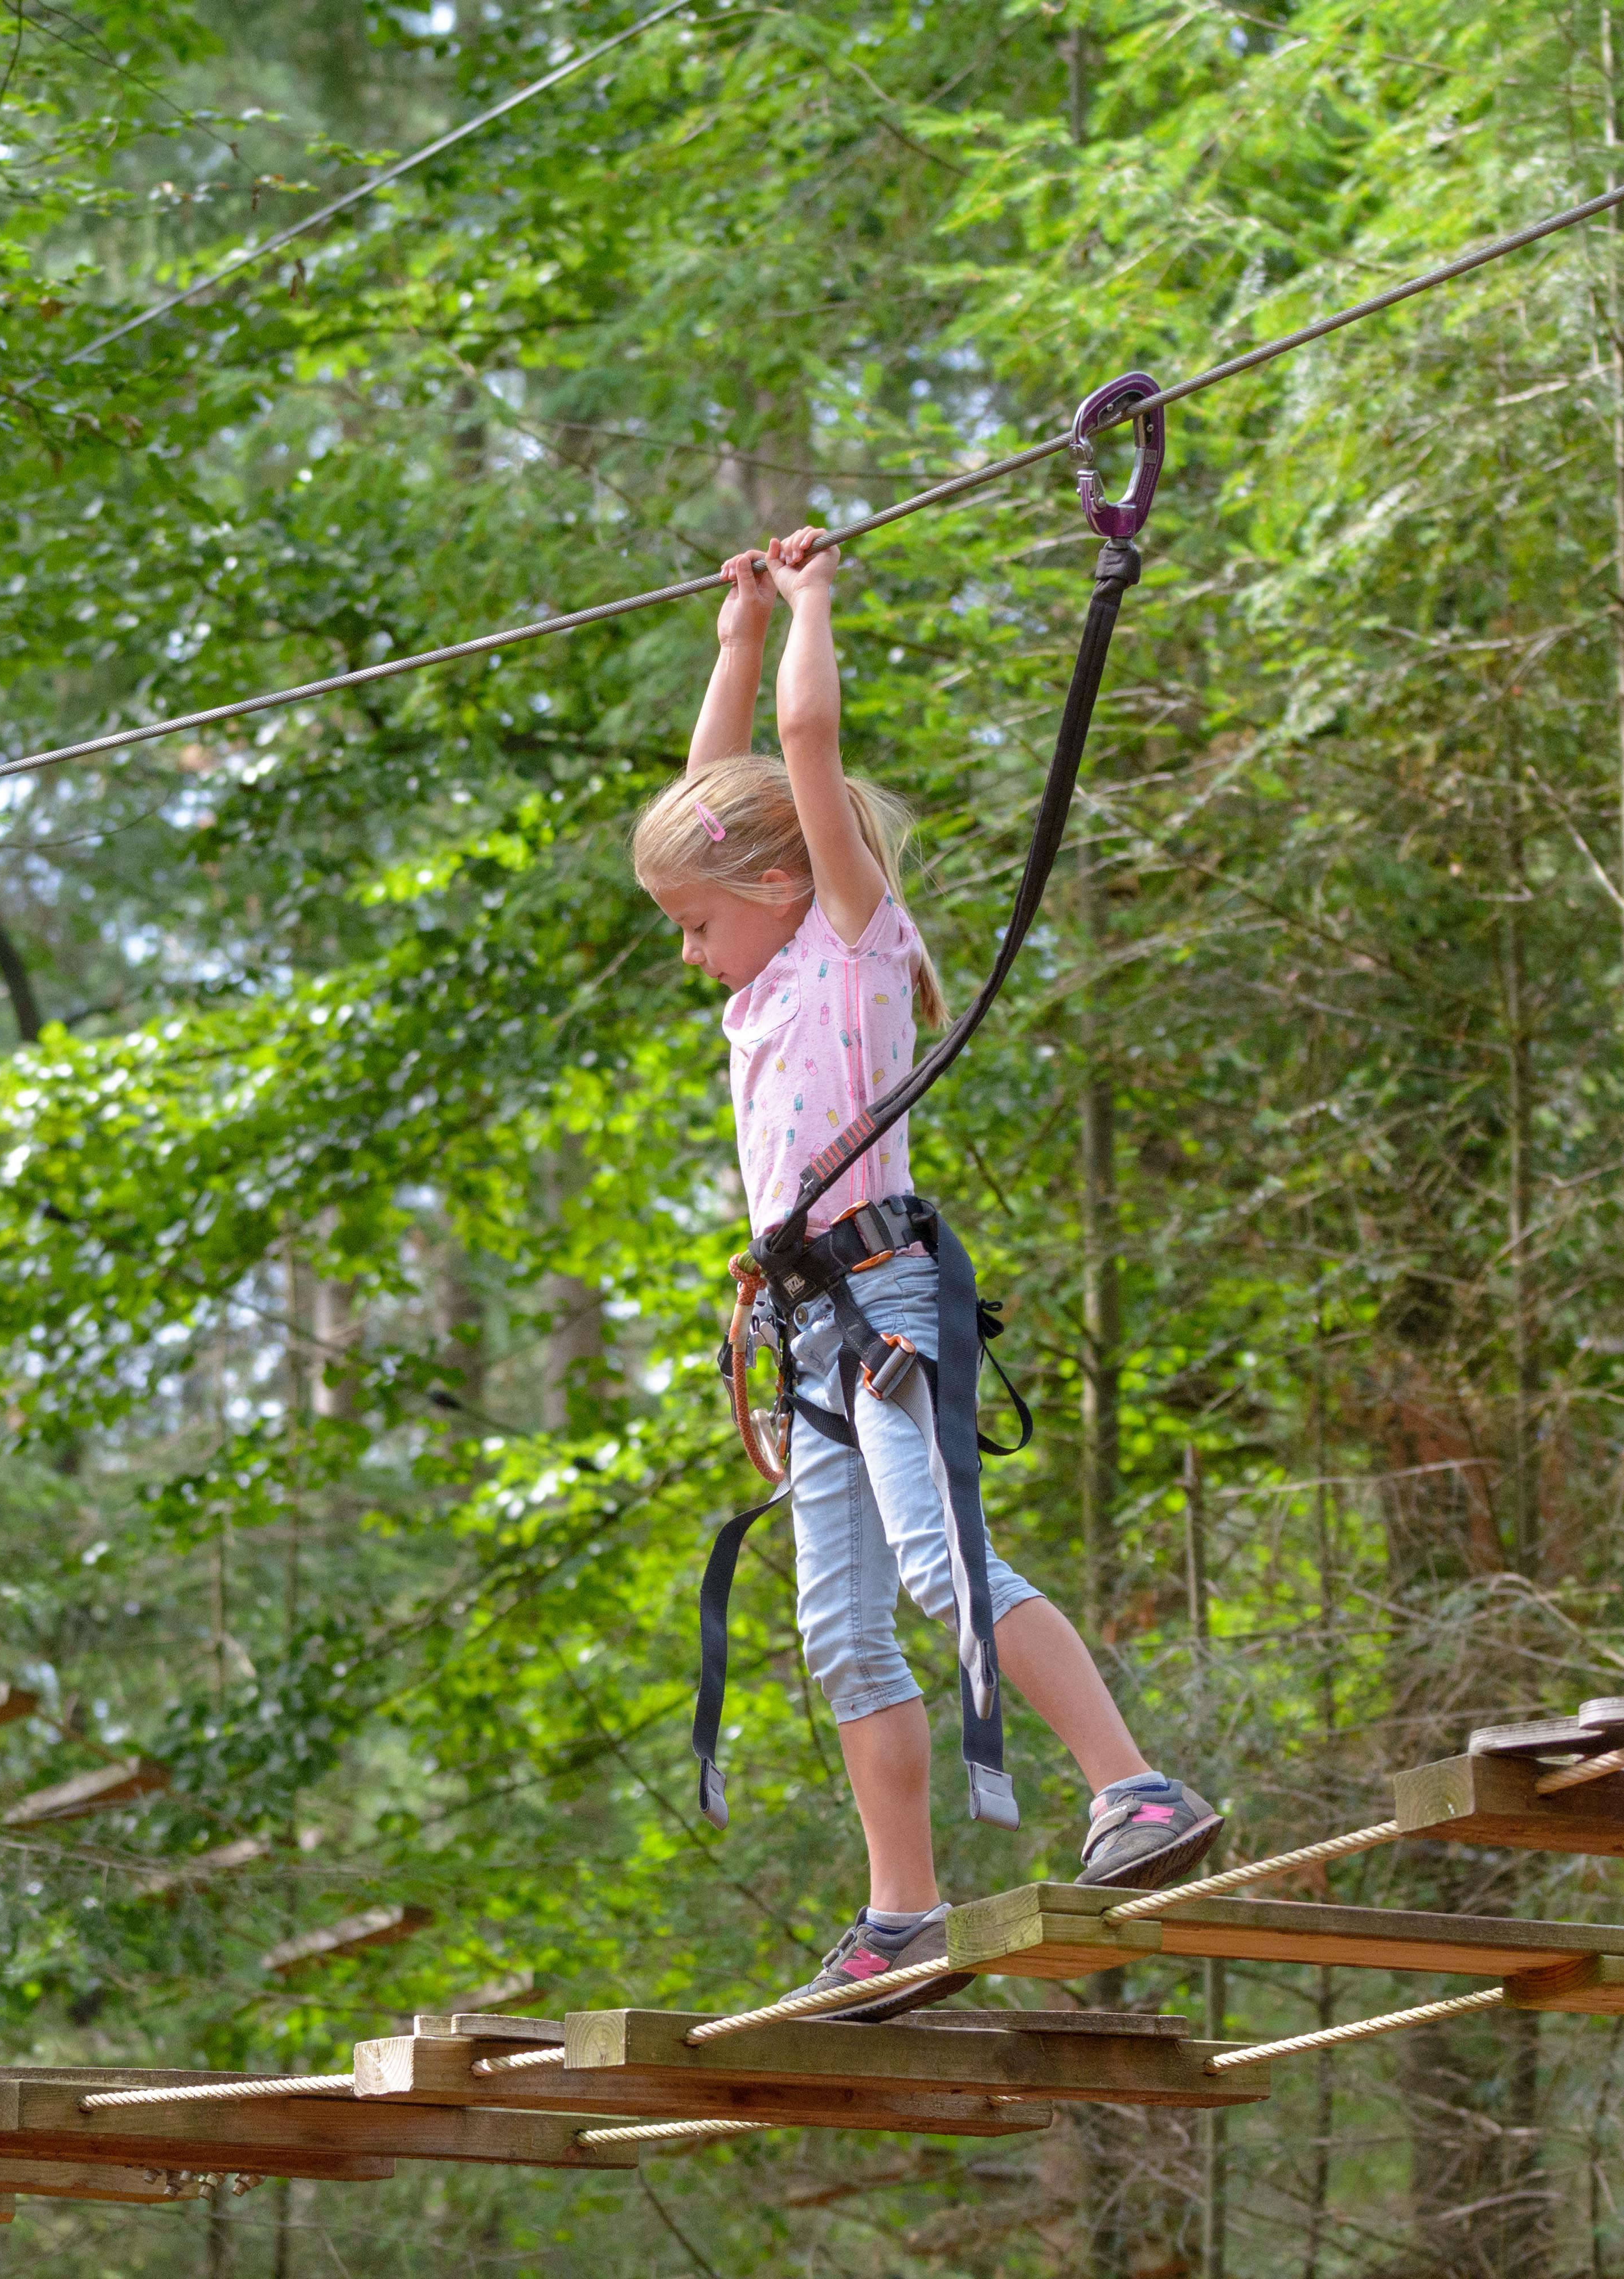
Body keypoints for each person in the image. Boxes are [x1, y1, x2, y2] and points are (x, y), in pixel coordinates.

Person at [632, 525, 1217, 2020]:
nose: (688, 954)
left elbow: (802, 756)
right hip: (807, 1334)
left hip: (884, 1298)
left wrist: (812, 608)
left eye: (696, 925)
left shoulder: (848, 942)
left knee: (942, 1565)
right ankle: (904, 1912)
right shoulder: (764, 977)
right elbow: (711, 803)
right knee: (839, 1628)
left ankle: (1136, 1787)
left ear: (779, 883)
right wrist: (734, 641)